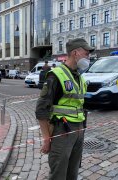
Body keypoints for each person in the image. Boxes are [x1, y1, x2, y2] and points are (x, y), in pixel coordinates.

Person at [35, 38, 94, 180]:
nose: (88, 57)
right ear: (75, 53)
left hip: (79, 129)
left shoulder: (79, 76)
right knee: (59, 174)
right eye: (86, 53)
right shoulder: (56, 75)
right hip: (62, 131)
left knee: (73, 172)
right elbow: (41, 110)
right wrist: (47, 139)